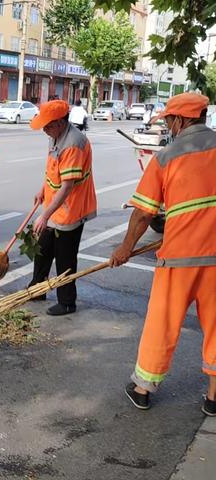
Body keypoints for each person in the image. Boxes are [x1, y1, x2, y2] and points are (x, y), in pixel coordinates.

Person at [109, 92, 216, 416]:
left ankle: (143, 389)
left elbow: (143, 213)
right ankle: (214, 397)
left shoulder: (167, 157)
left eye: (169, 120)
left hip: (180, 259)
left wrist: (125, 248)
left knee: (162, 323)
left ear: (181, 120)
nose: (167, 126)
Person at [28, 100, 97, 315]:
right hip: (54, 204)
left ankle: (67, 302)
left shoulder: (74, 144)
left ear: (59, 122)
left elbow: (67, 186)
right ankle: (37, 288)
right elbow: (53, 170)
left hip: (70, 208)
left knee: (65, 256)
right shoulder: (56, 136)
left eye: (47, 126)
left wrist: (44, 215)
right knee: (43, 249)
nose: (44, 130)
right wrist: (42, 190)